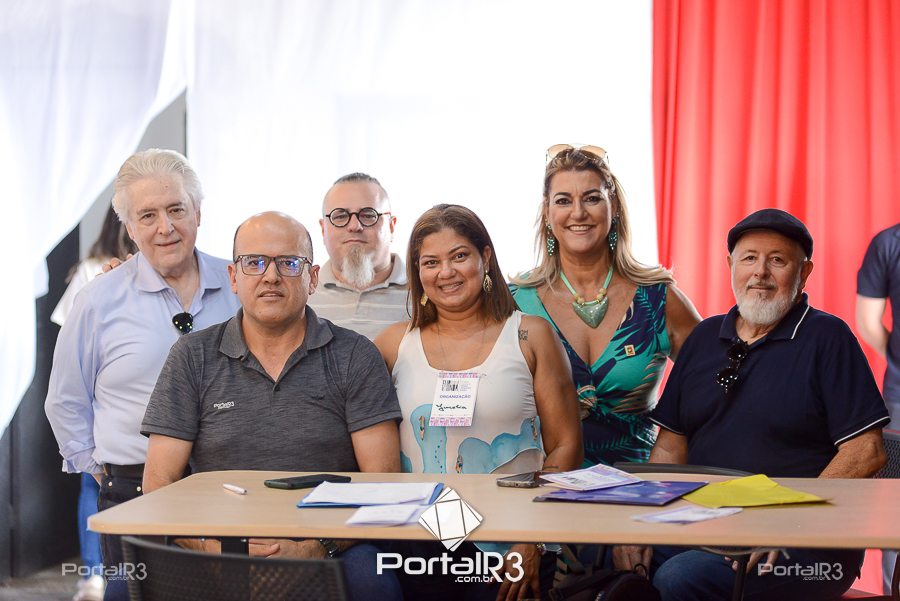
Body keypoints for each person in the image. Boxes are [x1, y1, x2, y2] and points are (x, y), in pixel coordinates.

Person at [618, 208, 890, 601]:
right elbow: (670, 448)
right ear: (731, 265)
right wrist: (641, 526)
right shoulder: (705, 337)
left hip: (808, 547)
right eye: (749, 258)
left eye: (777, 260)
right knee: (610, 555)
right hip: (708, 524)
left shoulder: (828, 338)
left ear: (804, 272)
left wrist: (789, 523)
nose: (760, 272)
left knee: (681, 577)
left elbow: (867, 451)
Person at [141, 211, 403, 601]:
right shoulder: (192, 356)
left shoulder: (354, 356)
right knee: (126, 586)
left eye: (289, 263)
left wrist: (315, 548)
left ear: (313, 278)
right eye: (254, 262)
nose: (271, 276)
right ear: (234, 277)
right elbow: (158, 485)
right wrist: (213, 550)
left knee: (373, 582)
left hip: (329, 542)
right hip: (215, 542)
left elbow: (382, 485)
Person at [44, 149, 239, 601]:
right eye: (147, 215)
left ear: (198, 212)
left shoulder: (238, 284)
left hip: (228, 488)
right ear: (129, 228)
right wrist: (104, 471)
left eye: (176, 209)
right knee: (131, 595)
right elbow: (65, 400)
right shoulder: (98, 299)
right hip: (133, 490)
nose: (164, 227)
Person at [375, 203, 583, 601]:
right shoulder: (392, 344)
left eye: (459, 256)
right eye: (431, 262)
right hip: (421, 539)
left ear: (485, 257)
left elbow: (566, 445)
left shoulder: (530, 335)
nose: (446, 272)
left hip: (514, 537)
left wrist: (532, 538)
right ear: (417, 272)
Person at [511, 145, 701, 467]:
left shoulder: (658, 299)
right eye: (563, 201)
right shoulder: (515, 302)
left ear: (613, 206)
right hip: (543, 485)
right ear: (546, 212)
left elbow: (713, 385)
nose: (578, 213)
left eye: (592, 198)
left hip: (640, 486)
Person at [51, 205, 137, 601]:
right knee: (95, 482)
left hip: (107, 400)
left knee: (97, 486)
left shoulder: (146, 272)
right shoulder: (93, 271)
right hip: (102, 401)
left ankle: (97, 576)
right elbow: (69, 345)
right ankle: (96, 575)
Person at [311, 172, 409, 340]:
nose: (354, 226)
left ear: (391, 226)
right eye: (340, 216)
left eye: (368, 215)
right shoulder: (301, 295)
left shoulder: (426, 292)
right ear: (323, 229)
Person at [856, 222, 900, 594]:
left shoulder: (889, 243)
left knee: (895, 511)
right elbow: (868, 322)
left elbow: (869, 322)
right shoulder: (888, 243)